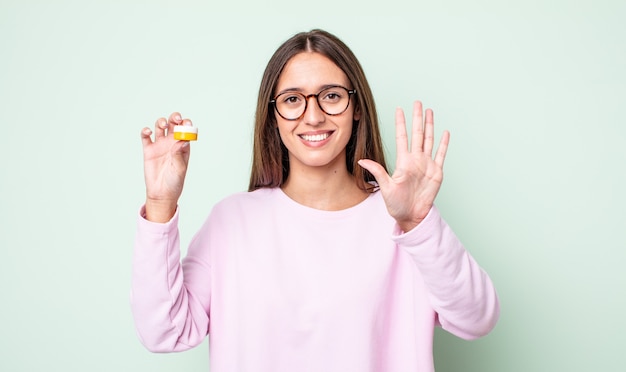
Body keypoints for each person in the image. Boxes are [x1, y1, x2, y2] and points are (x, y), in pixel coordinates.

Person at [131, 29, 499, 372]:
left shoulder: (401, 221)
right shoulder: (231, 221)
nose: (314, 115)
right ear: (273, 116)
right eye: (293, 100)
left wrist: (419, 223)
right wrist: (160, 204)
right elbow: (165, 331)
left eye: (331, 96)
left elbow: (477, 318)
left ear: (357, 107)